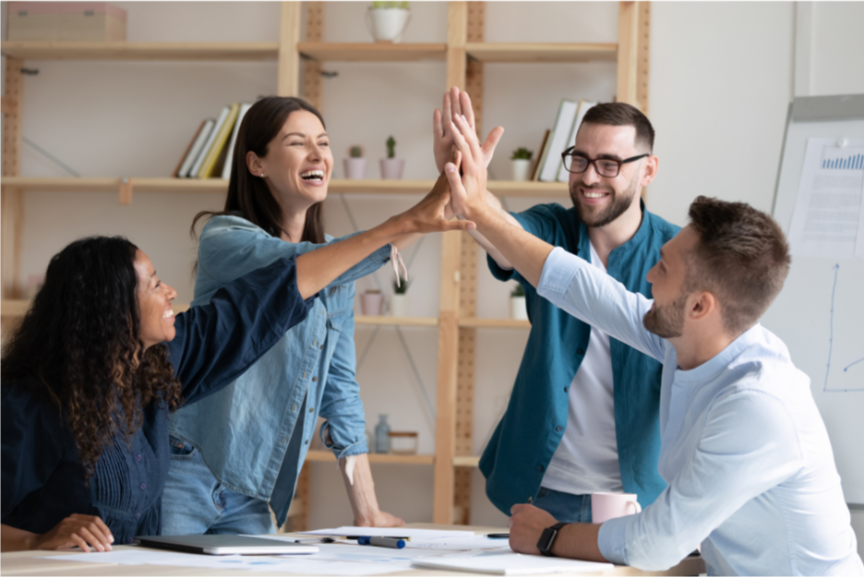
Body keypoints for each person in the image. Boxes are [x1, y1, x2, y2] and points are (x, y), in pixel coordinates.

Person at [442, 113, 864, 575]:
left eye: (662, 270)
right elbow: (583, 288)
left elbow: (654, 543)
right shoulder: (687, 339)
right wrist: (478, 207)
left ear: (700, 306)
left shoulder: (758, 404)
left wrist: (549, 536)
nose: (645, 276)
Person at [0, 177, 472, 552]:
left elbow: (271, 295)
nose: (170, 292)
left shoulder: (159, 366)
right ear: (109, 309)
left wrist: (407, 223)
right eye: (154, 284)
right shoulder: (32, 403)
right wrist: (37, 541)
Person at [162, 96, 423, 535]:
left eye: (323, 142)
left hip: (253, 488)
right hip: (184, 469)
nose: (318, 154)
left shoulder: (337, 267)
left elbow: (340, 390)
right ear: (256, 163)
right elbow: (294, 267)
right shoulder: (225, 238)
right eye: (298, 143)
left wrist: (367, 510)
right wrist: (417, 220)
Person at [433, 87, 678, 521]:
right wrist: (467, 185)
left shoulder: (677, 255)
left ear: (648, 170)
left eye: (609, 163)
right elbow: (504, 234)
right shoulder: (552, 227)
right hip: (542, 489)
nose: (588, 177)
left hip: (640, 495)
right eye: (579, 159)